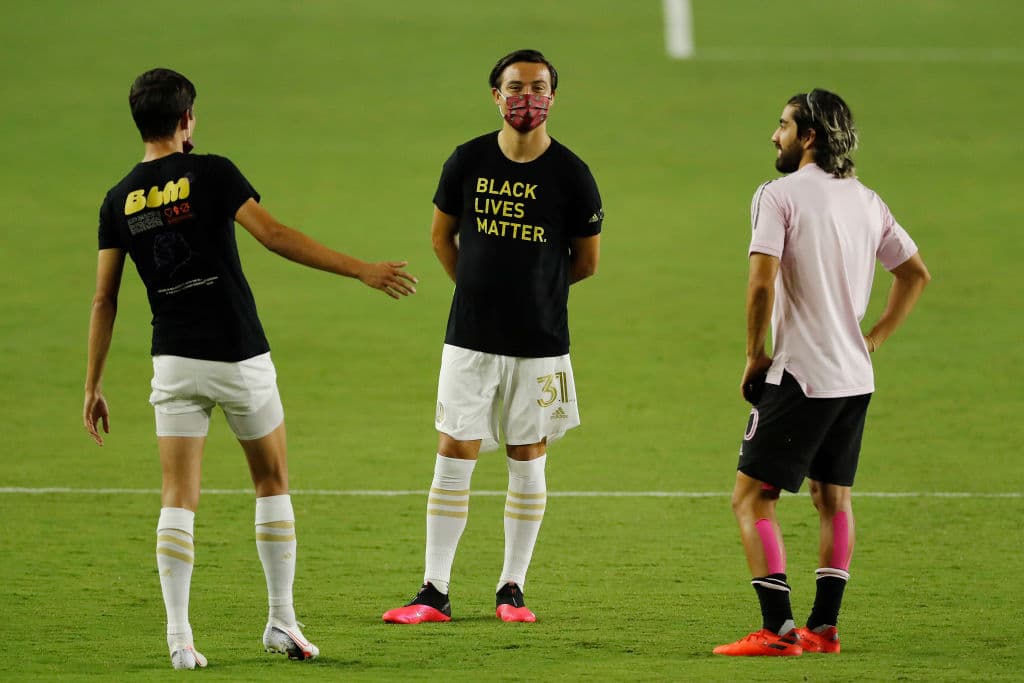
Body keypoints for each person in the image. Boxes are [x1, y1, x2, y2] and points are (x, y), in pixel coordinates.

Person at [82, 68, 417, 670]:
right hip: (239, 357)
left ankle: (180, 640)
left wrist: (92, 384)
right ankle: (282, 623)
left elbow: (105, 299)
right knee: (272, 482)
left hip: (174, 363)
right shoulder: (211, 172)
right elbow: (277, 236)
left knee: (178, 499)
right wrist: (359, 269)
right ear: (186, 121)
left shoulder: (116, 200)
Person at [381, 49, 602, 625]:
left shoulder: (573, 175)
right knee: (454, 451)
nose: (526, 97)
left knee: (528, 456)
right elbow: (440, 238)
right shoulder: (467, 161)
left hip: (541, 343)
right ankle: (434, 591)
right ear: (495, 94)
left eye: (537, 87)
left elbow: (586, 262)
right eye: (514, 87)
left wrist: (537, 296)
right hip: (470, 340)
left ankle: (512, 589)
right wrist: (477, 292)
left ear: (553, 96)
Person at [712, 89, 930, 656]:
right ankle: (824, 627)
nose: (774, 135)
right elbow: (915, 274)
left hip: (801, 376)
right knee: (833, 500)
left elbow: (761, 282)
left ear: (808, 136)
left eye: (783, 125)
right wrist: (874, 336)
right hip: (854, 378)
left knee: (751, 501)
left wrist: (754, 354)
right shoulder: (867, 200)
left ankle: (779, 630)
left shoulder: (777, 195)